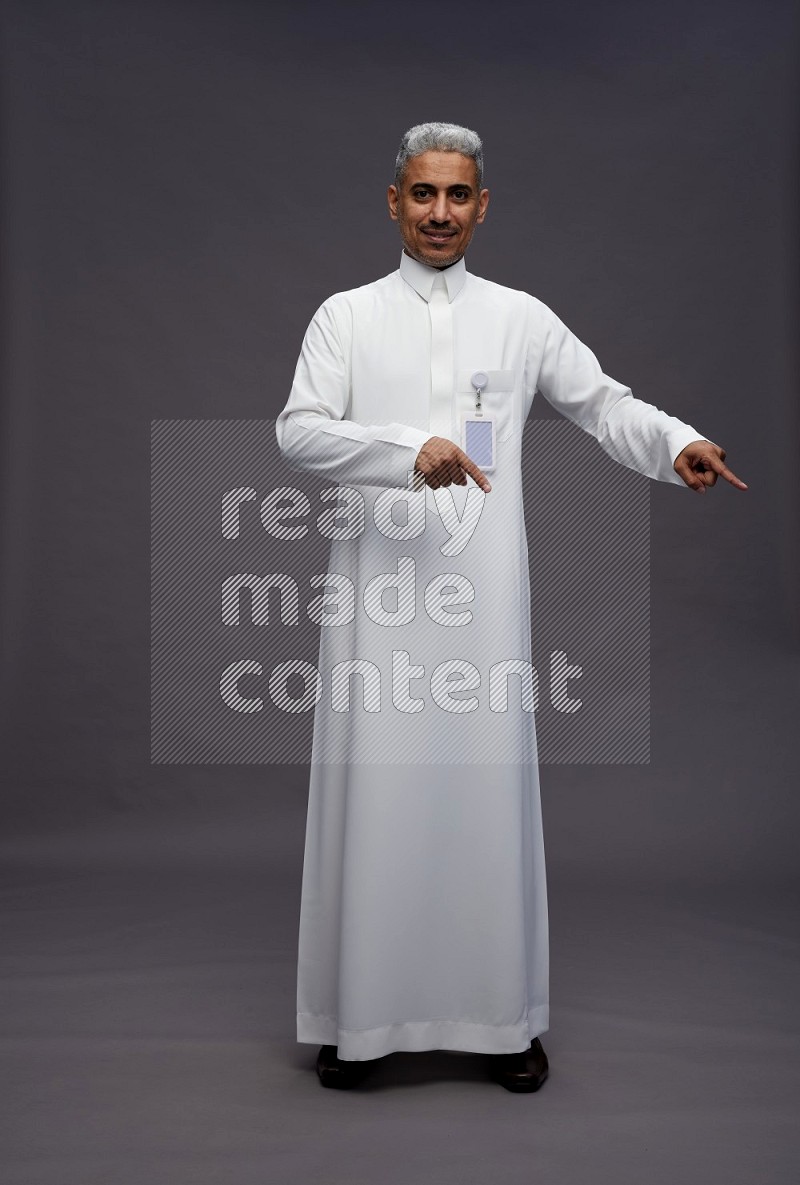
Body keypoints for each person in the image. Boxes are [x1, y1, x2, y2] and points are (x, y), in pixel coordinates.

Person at [275, 122, 747, 1093]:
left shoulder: (519, 319)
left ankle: (501, 1025)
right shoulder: (345, 318)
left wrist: (674, 446)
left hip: (482, 606)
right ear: (393, 202)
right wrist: (408, 449)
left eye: (457, 196)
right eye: (421, 195)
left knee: (485, 799)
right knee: (378, 796)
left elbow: (601, 402)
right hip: (378, 598)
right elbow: (300, 432)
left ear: (482, 206)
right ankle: (357, 1023)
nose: (439, 213)